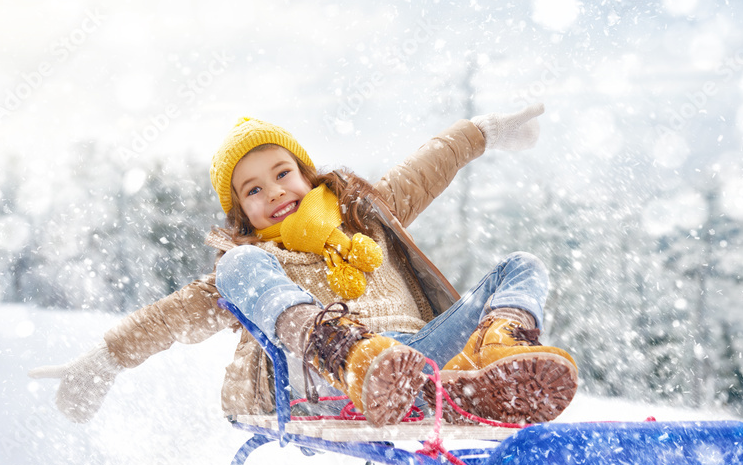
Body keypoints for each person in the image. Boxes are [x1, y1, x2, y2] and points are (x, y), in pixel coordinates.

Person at [30, 103, 577, 427]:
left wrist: (485, 131)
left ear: (306, 173)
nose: (274, 191)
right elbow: (169, 318)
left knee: (520, 267)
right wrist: (102, 361)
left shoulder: (367, 212)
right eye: (253, 189)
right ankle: (350, 354)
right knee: (236, 267)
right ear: (241, 209)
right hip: (313, 378)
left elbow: (428, 164)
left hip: (414, 362)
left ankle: (488, 367)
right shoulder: (256, 261)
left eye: (282, 172)